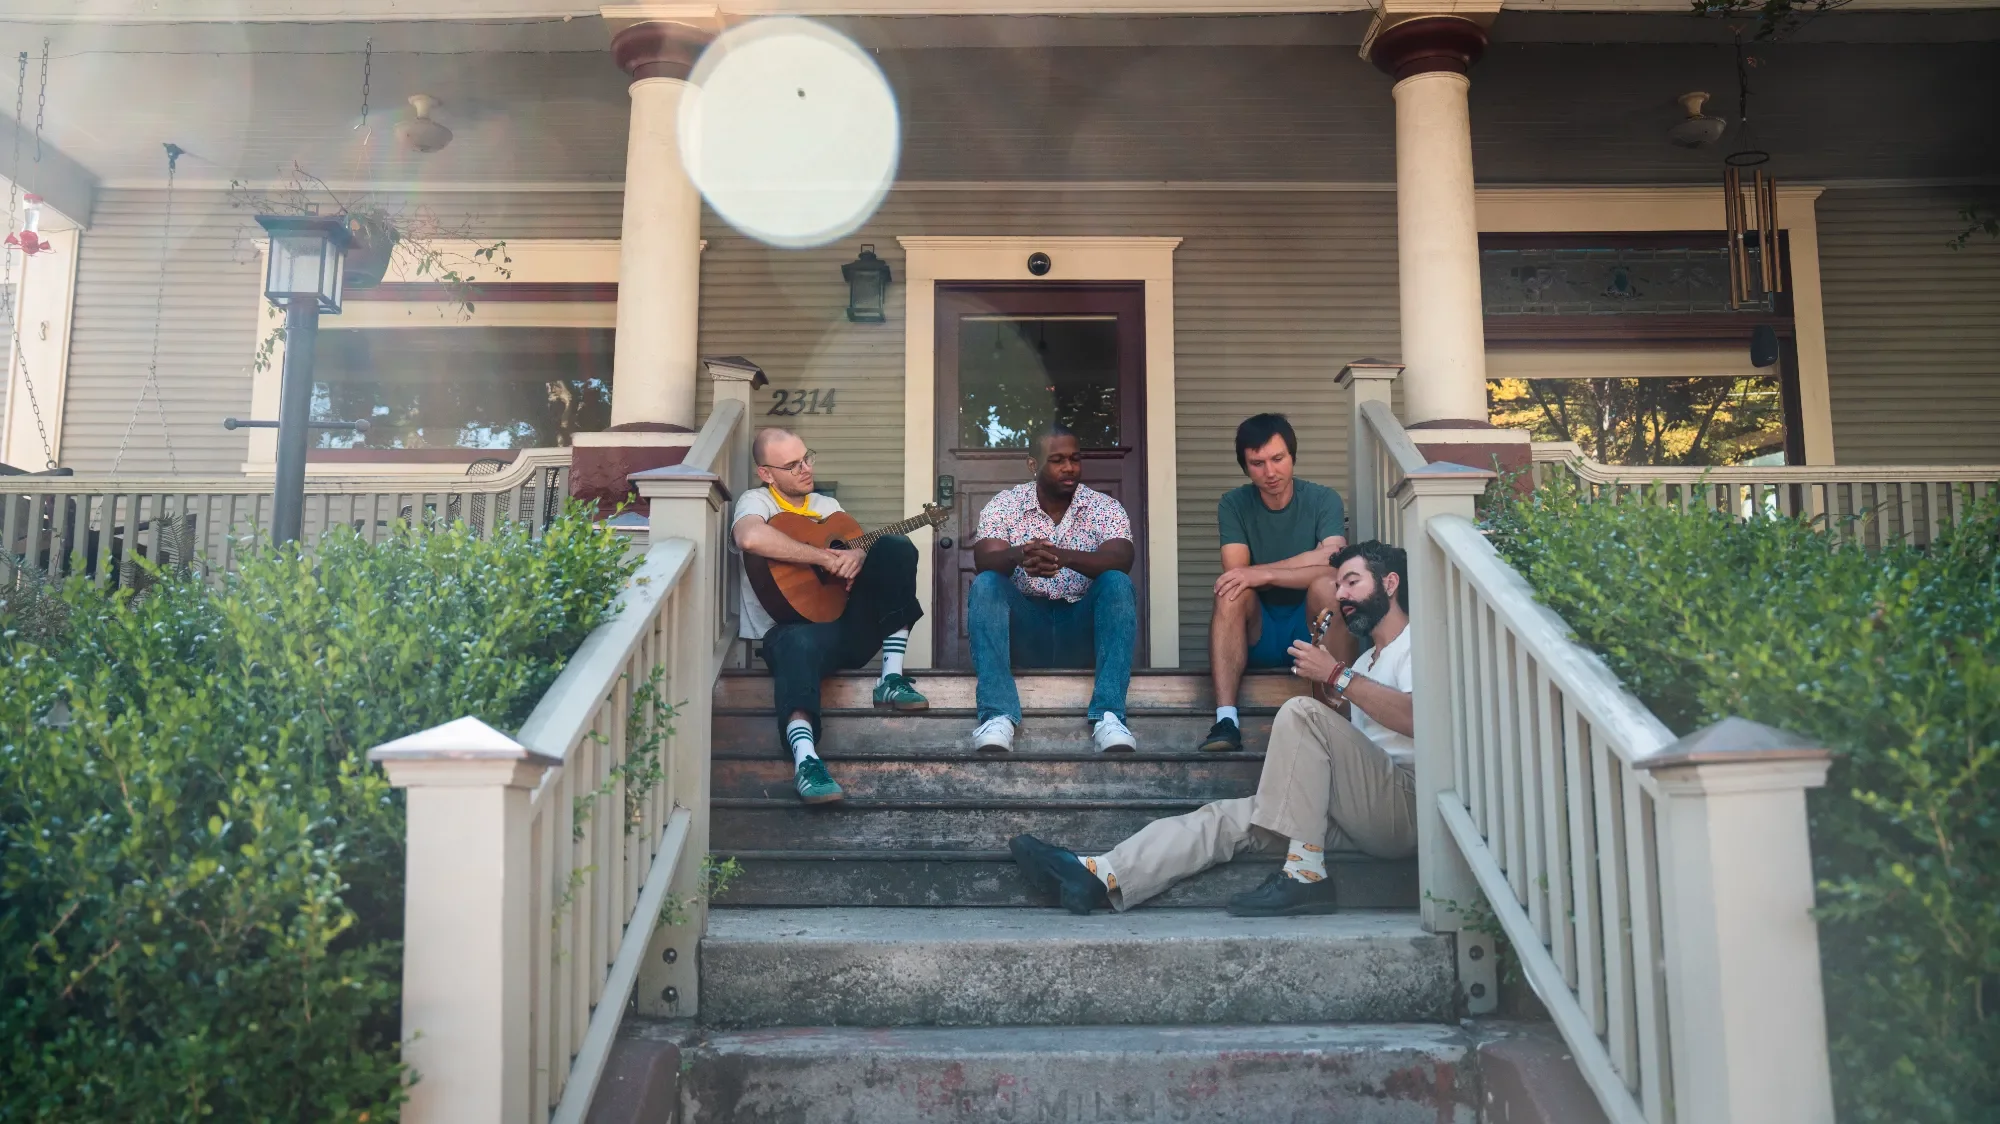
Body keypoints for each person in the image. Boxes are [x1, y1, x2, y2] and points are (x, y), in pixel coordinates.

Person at [1009, 541, 1415, 917]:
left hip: (1405, 806)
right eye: (1339, 583)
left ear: (1390, 583)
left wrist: (1337, 677)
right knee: (1227, 818)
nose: (1341, 594)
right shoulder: (1365, 664)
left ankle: (1305, 875)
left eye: (1352, 582)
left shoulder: (1419, 645)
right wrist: (1330, 679)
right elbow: (1339, 739)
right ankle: (1100, 873)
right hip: (1358, 808)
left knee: (1300, 712)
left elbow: (1417, 719)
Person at [733, 427, 927, 805]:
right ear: (767, 473)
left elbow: (854, 550)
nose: (806, 468)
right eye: (792, 465)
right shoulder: (756, 501)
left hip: (846, 631)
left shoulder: (826, 508)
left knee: (895, 547)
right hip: (791, 633)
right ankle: (807, 761)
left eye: (808, 457)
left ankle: (890, 678)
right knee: (796, 640)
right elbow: (751, 539)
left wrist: (858, 556)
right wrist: (823, 558)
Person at [966, 423, 1140, 754]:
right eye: (1057, 460)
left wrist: (1065, 557)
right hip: (1027, 630)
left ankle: (1109, 717)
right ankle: (997, 716)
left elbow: (1123, 557)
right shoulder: (1006, 504)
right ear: (1033, 464)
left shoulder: (1103, 507)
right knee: (987, 583)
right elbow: (984, 558)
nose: (1069, 468)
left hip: (1081, 630)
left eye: (1075, 459)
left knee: (1117, 581)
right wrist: (1021, 555)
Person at [1200, 413, 1354, 753]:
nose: (1270, 472)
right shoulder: (1234, 504)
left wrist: (1265, 572)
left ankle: (1335, 716)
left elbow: (1335, 559)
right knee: (1231, 592)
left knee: (1328, 585)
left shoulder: (1322, 499)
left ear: (1293, 457)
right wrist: (1304, 561)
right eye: (1257, 463)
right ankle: (1226, 720)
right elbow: (1237, 572)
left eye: (1277, 459)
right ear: (1245, 467)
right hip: (1260, 631)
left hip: (1309, 623)